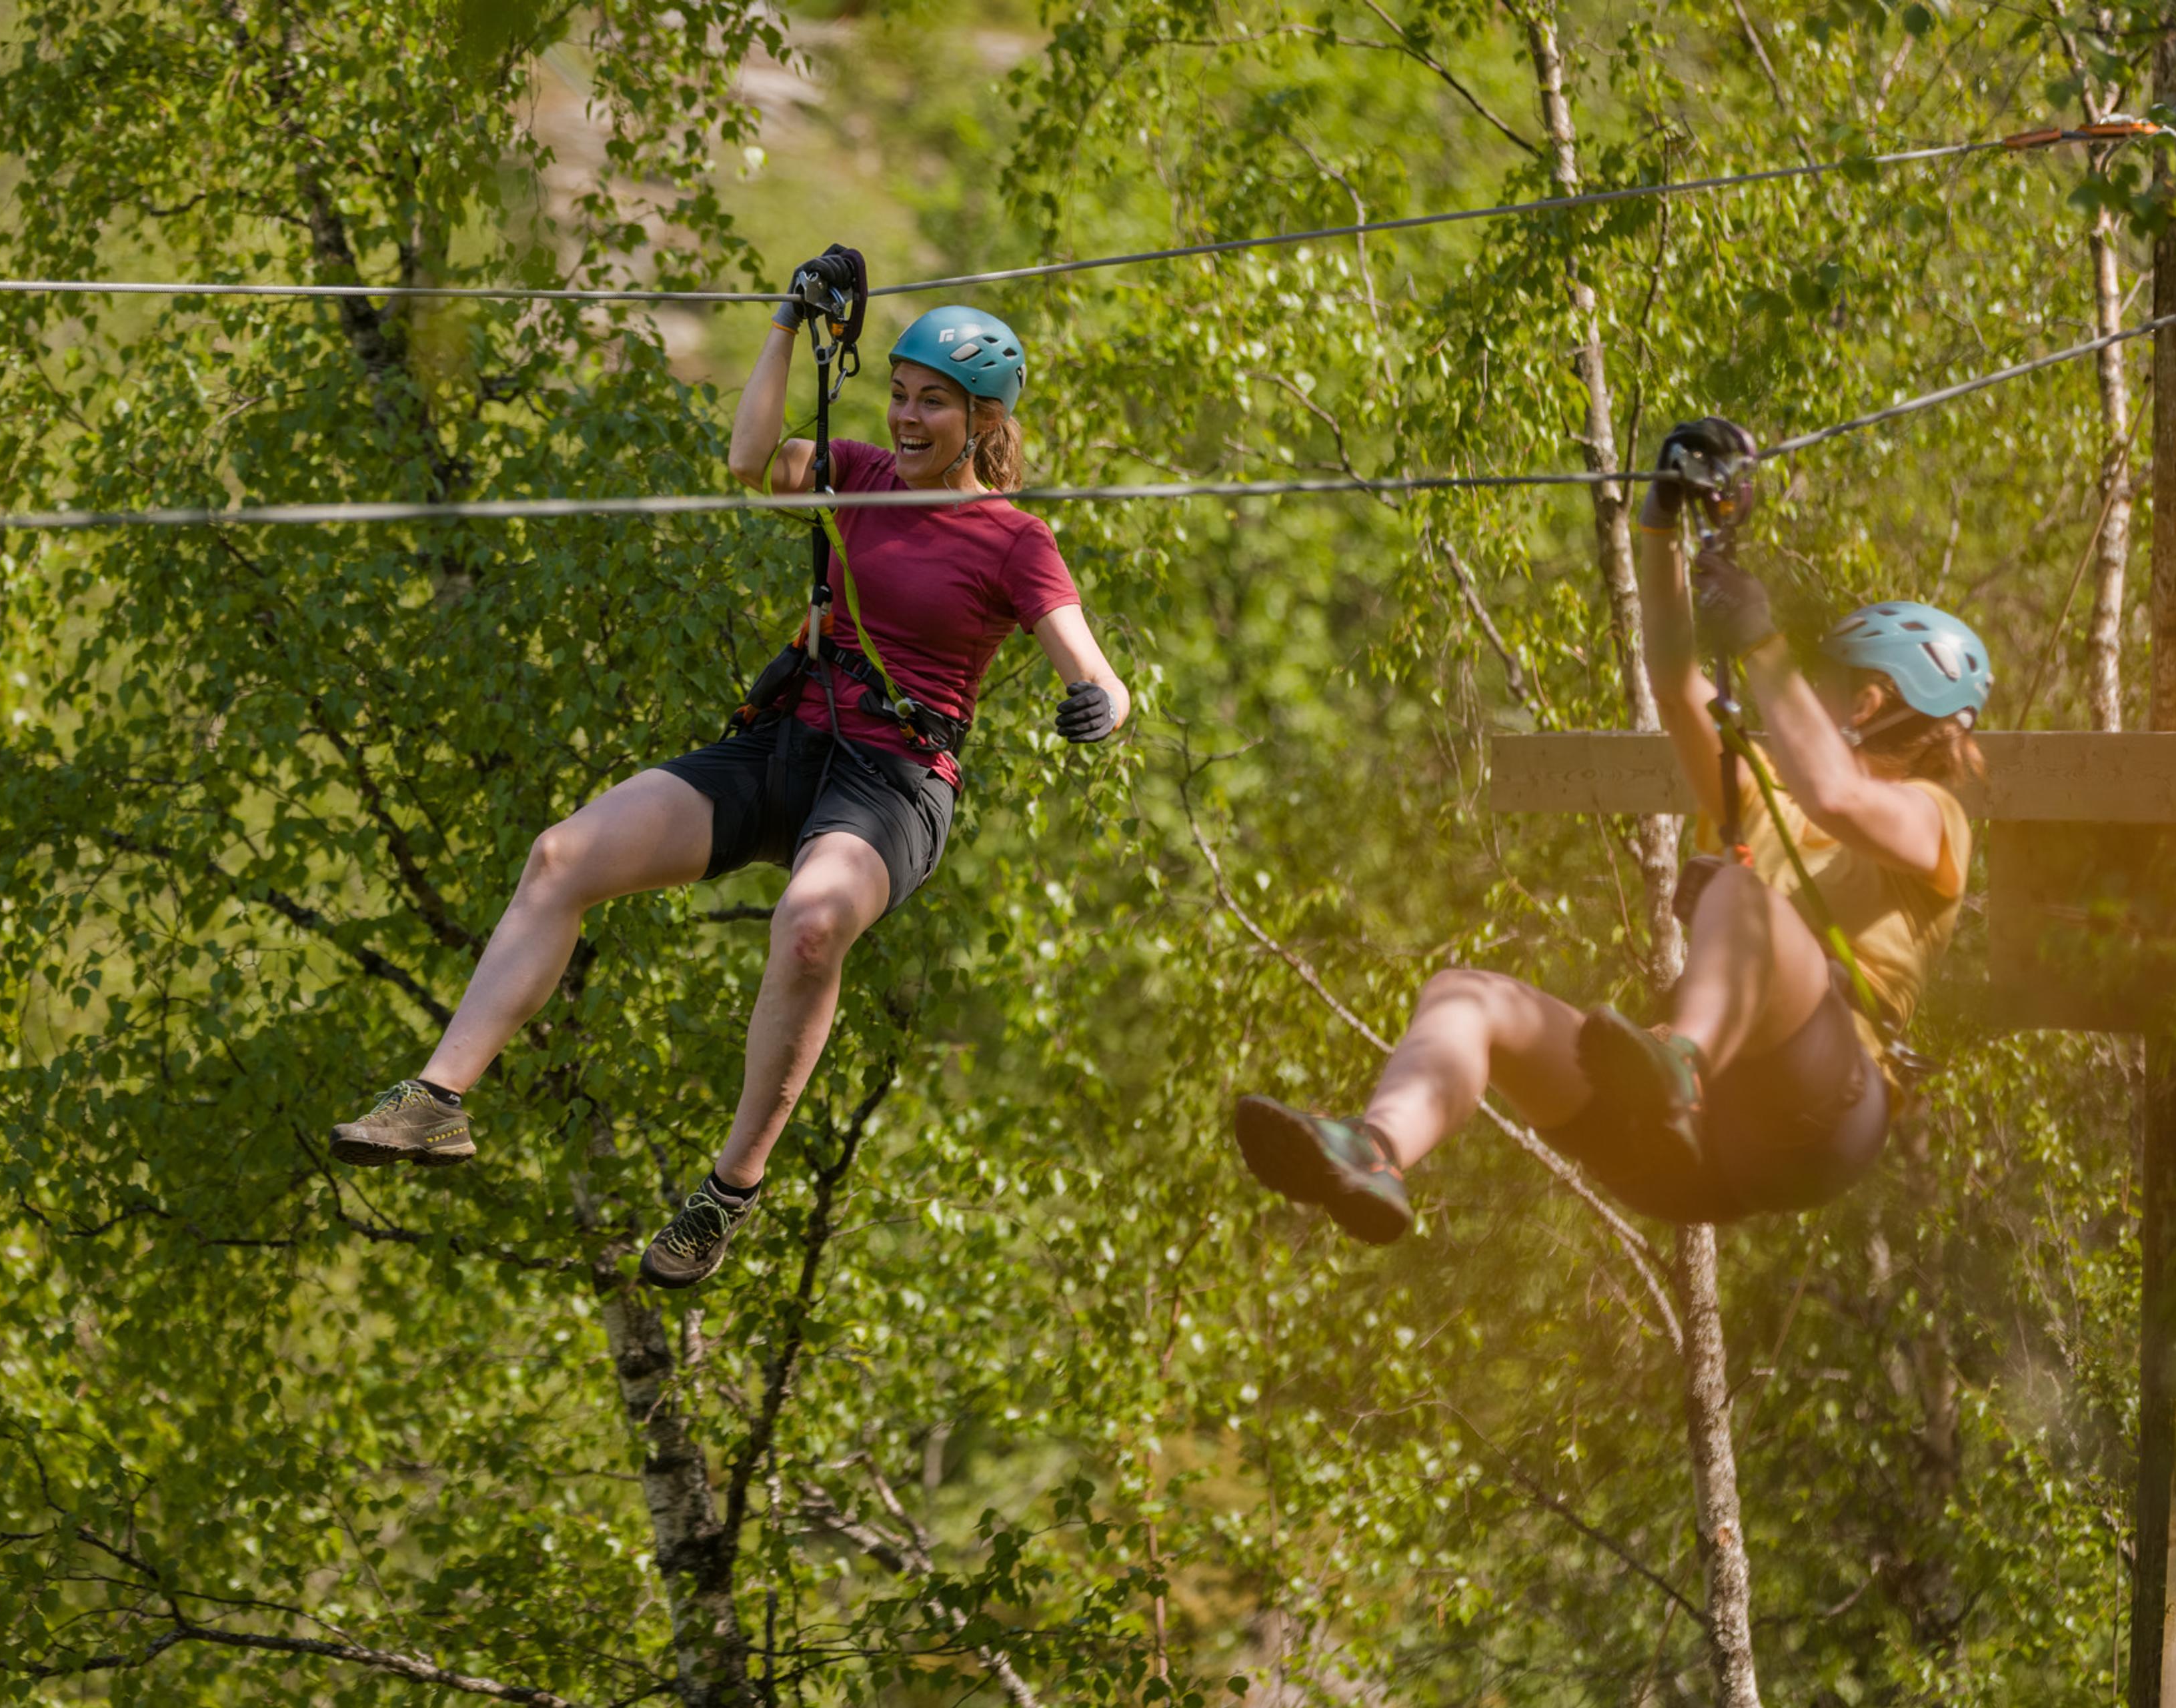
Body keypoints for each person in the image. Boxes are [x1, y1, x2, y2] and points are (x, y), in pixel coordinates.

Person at [331, 261, 1131, 1288]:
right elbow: (750, 456)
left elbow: (1093, 666)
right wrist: (786, 324)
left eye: (933, 402)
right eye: (898, 392)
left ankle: (727, 1194)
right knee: (561, 853)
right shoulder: (860, 472)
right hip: (790, 740)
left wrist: (1095, 706)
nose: (905, 416)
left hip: (891, 784)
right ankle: (437, 1103)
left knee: (810, 923)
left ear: (982, 420)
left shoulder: (1014, 538)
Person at [1230, 419, 1987, 1234]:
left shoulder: (1934, 821)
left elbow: (1837, 793)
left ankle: (1682, 1061)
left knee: (1741, 893)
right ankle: (1375, 1149)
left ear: (1869, 703)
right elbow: (1673, 677)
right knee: (1467, 995)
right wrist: (1660, 526)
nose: (1810, 693)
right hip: (1686, 1156)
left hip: (1817, 1114)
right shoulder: (1763, 799)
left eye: (1831, 683)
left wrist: (1764, 645)